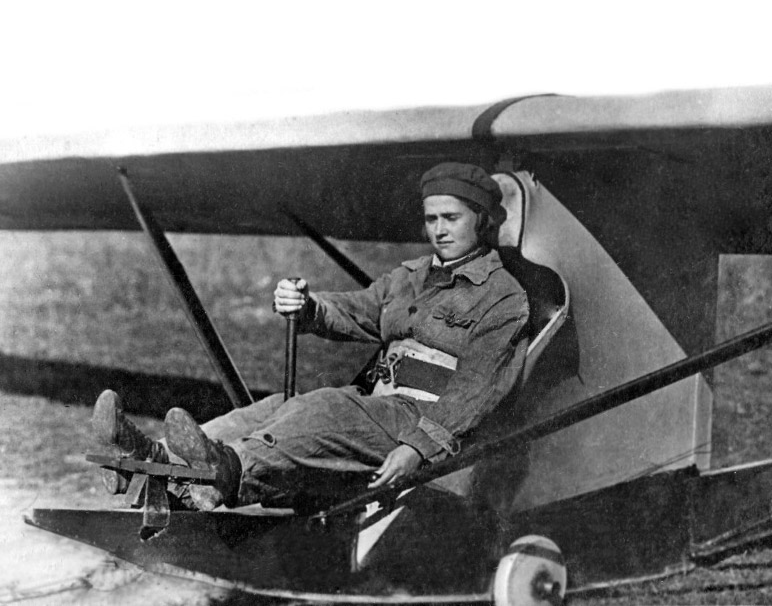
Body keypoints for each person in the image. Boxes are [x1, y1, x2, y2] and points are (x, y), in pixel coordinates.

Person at [92, 162, 530, 511]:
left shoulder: (503, 298)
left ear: (481, 220)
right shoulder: (410, 277)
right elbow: (359, 311)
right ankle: (152, 459)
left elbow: (475, 391)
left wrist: (418, 448)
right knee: (276, 408)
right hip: (381, 407)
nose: (439, 230)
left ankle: (223, 472)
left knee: (325, 409)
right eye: (431, 219)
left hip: (425, 421)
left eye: (452, 218)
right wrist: (307, 307)